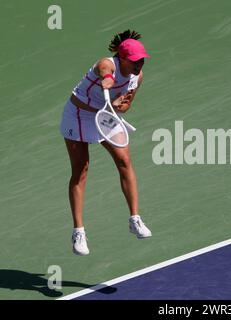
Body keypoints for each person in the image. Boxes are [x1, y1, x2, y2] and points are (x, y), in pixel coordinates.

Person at [60, 30, 152, 256]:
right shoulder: (106, 64)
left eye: (141, 60)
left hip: (106, 114)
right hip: (79, 114)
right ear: (121, 59)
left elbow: (127, 104)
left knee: (124, 161)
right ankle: (78, 232)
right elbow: (106, 75)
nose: (139, 64)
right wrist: (109, 84)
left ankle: (134, 219)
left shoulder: (137, 77)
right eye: (134, 61)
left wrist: (123, 106)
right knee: (81, 170)